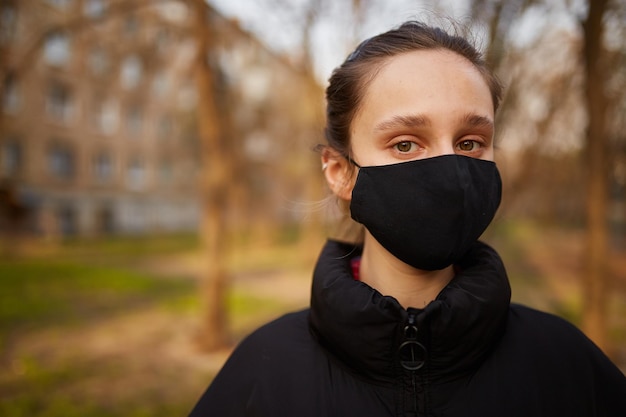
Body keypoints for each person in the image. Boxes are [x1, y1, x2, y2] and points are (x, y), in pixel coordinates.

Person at [188, 20, 626, 417]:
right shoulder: (263, 372)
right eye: (405, 144)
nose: (450, 170)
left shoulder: (564, 364)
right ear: (340, 172)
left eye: (471, 142)